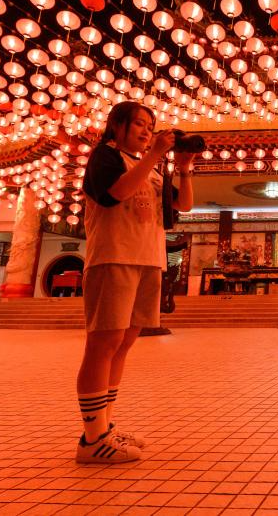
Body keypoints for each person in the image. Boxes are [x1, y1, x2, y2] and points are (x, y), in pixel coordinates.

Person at [75, 101, 195, 464]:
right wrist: (155, 153)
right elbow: (116, 194)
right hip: (114, 257)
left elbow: (184, 206)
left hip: (148, 259)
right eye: (140, 124)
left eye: (150, 125)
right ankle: (92, 439)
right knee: (103, 344)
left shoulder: (151, 169)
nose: (147, 131)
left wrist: (184, 169)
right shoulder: (105, 156)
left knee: (123, 343)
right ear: (117, 125)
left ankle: (105, 428)